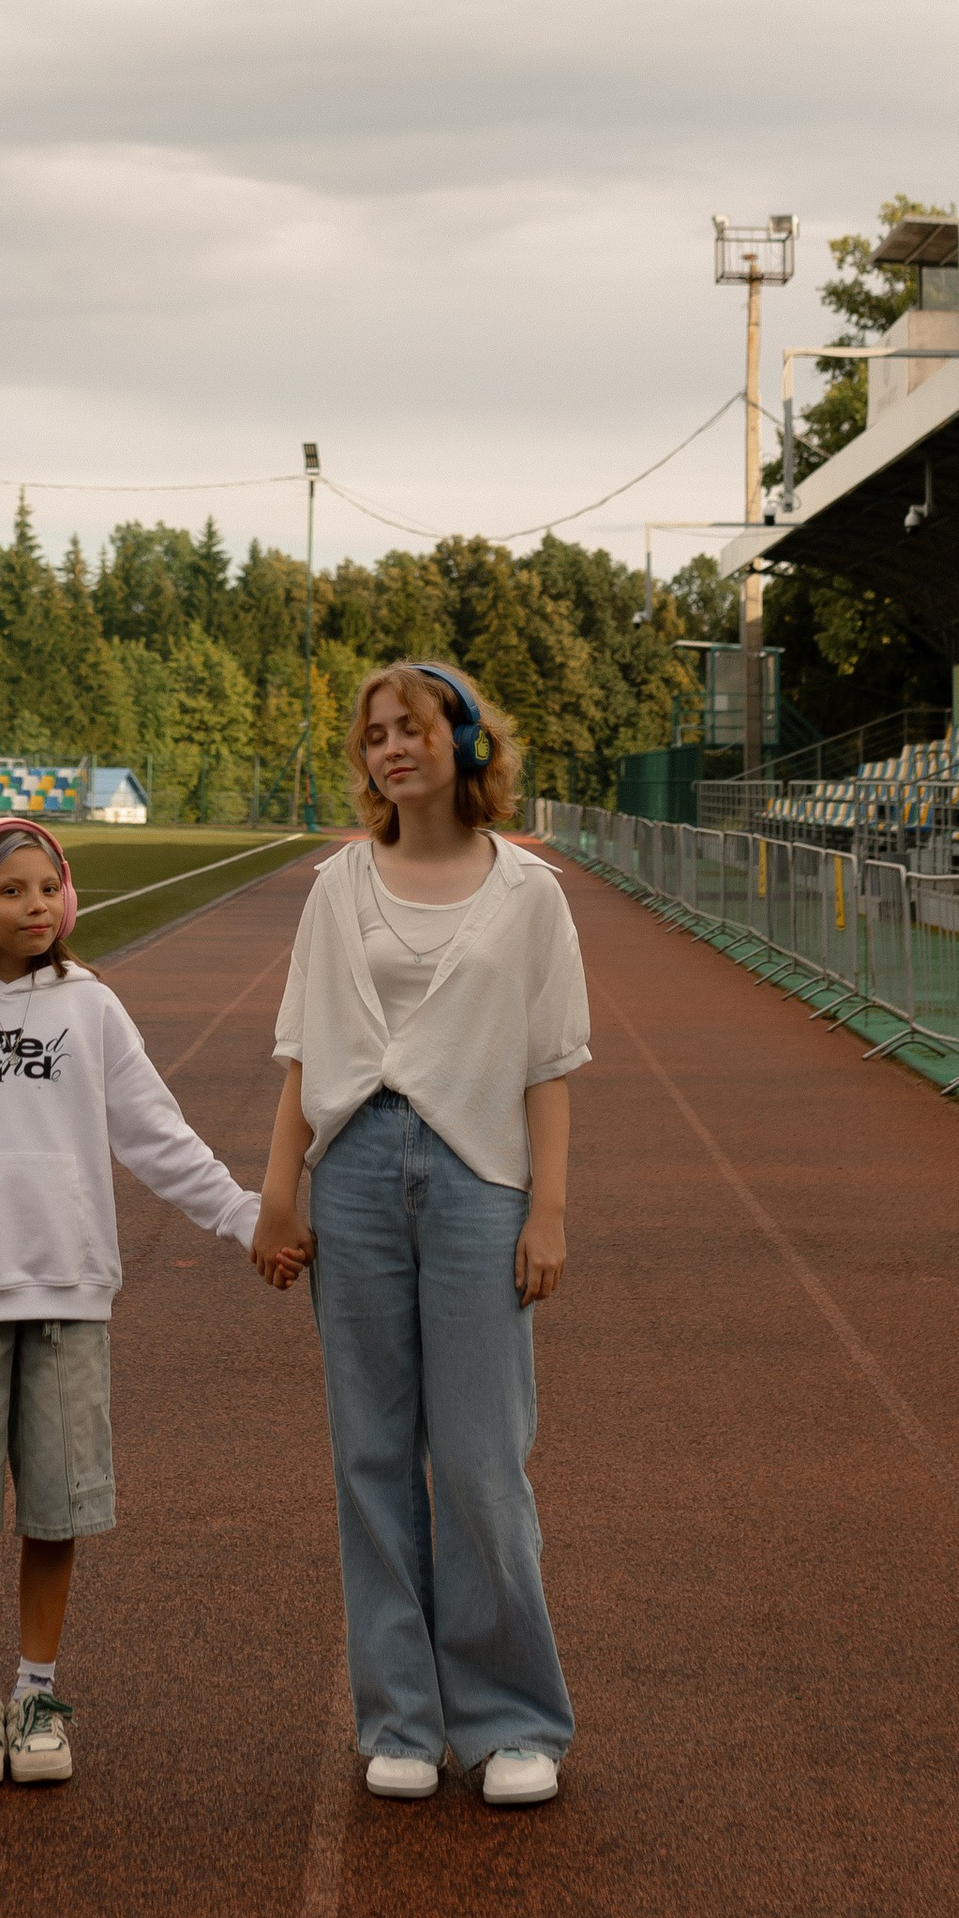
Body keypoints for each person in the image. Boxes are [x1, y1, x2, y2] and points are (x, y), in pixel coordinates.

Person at [0, 818, 260, 1787]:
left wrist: (240, 1216)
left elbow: (154, 1132)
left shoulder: (90, 1007)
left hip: (68, 1290)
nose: (34, 906)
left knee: (57, 1509)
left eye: (47, 888)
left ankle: (35, 1693)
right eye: (9, 890)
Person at [252, 661, 588, 1807]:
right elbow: (302, 1050)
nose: (391, 747)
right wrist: (277, 1191)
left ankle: (511, 1722)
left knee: (484, 1462)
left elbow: (548, 1064)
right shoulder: (336, 888)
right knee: (372, 1456)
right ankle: (400, 1715)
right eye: (375, 734)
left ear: (466, 740)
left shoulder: (529, 895)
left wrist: (547, 1209)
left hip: (477, 1180)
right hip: (350, 1176)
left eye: (413, 728)